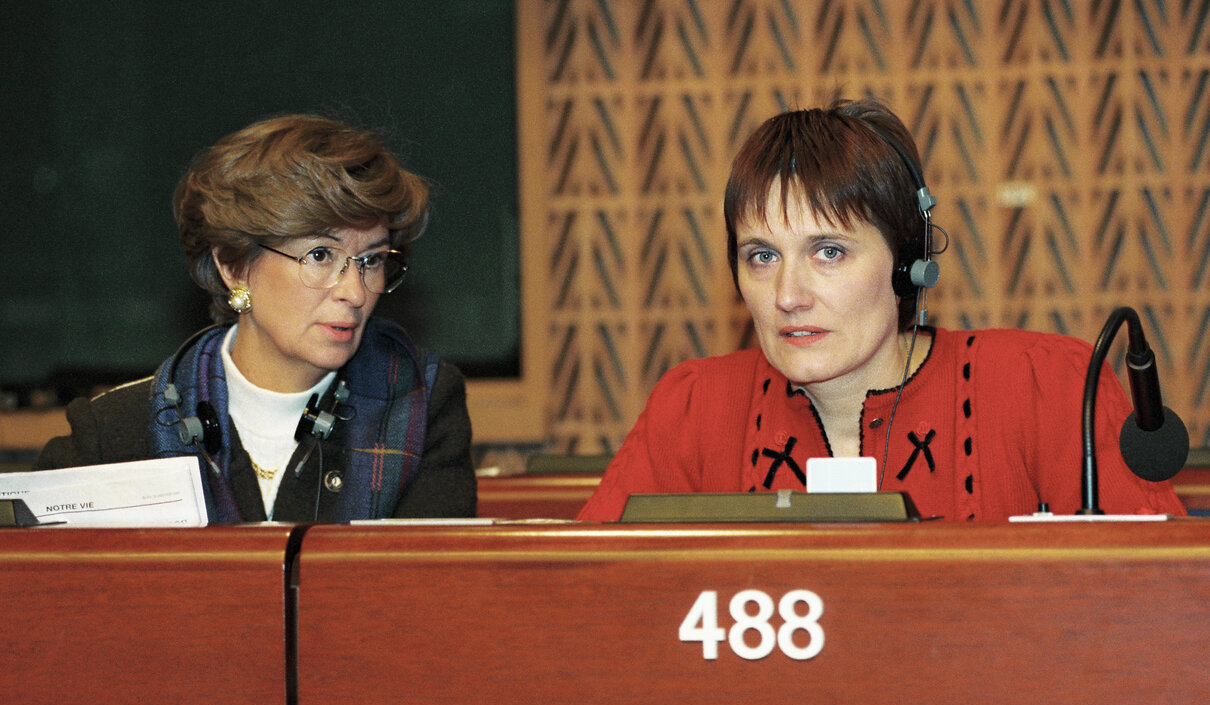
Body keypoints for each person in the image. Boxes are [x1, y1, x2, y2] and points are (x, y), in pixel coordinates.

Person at [578, 97, 1185, 521]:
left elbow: (1157, 612)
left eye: (830, 251)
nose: (788, 295)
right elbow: (579, 600)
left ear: (904, 261)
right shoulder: (694, 409)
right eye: (762, 257)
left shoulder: (1045, 387)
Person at [37, 114, 477, 522]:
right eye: (320, 255)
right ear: (233, 266)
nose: (356, 292)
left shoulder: (420, 407)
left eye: (372, 259)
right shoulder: (119, 430)